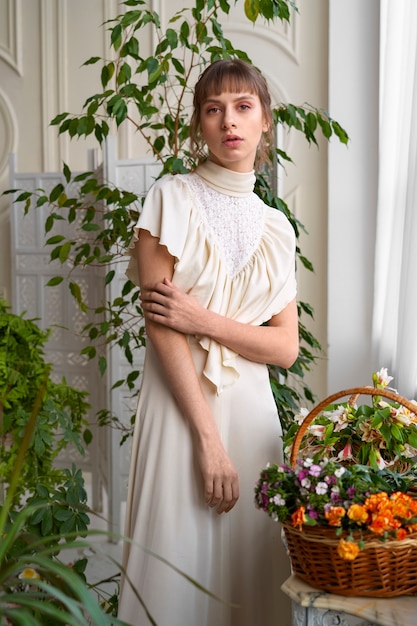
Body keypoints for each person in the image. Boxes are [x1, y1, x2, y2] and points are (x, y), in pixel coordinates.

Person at [118, 58, 299, 626]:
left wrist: (206, 321)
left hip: (252, 414)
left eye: (244, 107)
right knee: (173, 570)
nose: (230, 122)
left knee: (252, 574)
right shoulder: (169, 199)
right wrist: (207, 440)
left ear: (265, 121)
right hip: (182, 412)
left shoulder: (277, 228)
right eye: (214, 109)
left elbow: (285, 349)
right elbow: (161, 325)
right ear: (199, 123)